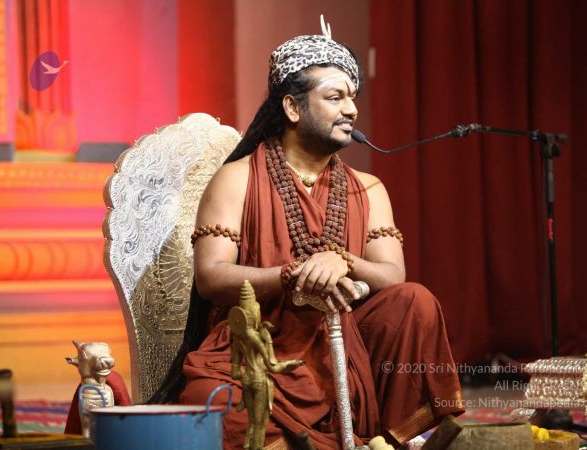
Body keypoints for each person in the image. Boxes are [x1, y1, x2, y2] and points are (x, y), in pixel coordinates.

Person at [156, 19, 464, 449]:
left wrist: (343, 261)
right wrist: (293, 274)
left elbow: (393, 274)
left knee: (415, 301)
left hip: (344, 340)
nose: (351, 110)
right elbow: (210, 277)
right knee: (214, 404)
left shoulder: (369, 188)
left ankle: (383, 439)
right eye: (335, 97)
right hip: (259, 344)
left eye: (352, 98)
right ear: (292, 108)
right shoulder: (237, 179)